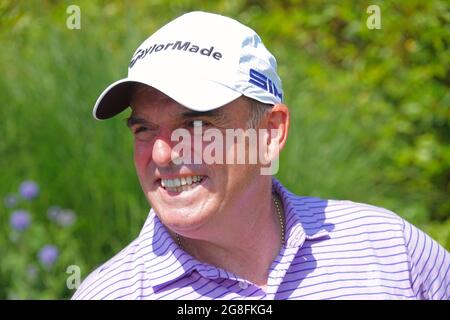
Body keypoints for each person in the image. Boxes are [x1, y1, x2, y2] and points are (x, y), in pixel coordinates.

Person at [72, 11, 449, 300]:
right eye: (143, 129)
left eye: (197, 125)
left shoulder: (389, 248)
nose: (162, 152)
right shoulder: (110, 292)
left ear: (270, 132)